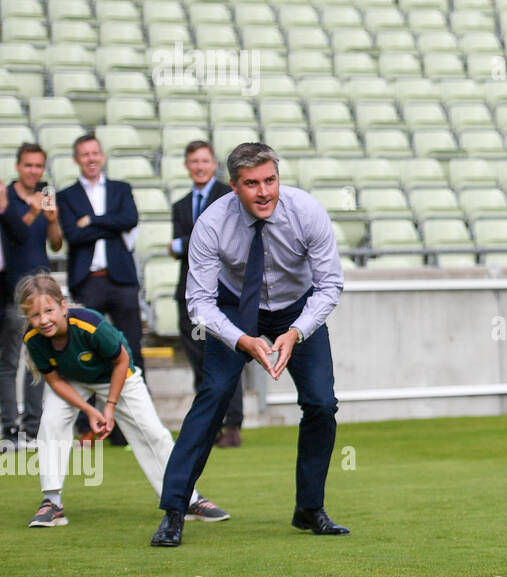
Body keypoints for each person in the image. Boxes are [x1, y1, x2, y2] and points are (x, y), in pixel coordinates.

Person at [152, 142, 346, 547]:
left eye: (270, 180)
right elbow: (199, 303)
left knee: (321, 403)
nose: (264, 192)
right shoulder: (211, 223)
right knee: (215, 394)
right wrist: (242, 339)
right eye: (252, 183)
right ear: (234, 187)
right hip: (237, 308)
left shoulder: (307, 211)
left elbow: (330, 286)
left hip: (297, 308)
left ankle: (310, 509)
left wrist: (296, 332)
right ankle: (174, 509)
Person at [16, 272, 226, 528]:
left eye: (48, 310)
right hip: (71, 380)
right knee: (50, 421)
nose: (43, 320)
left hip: (118, 374)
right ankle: (52, 502)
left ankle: (186, 498)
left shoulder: (90, 325)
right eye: (35, 315)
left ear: (62, 306)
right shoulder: (33, 338)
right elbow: (55, 381)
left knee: (153, 432)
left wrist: (109, 407)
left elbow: (122, 360)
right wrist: (90, 412)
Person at [56, 134, 145, 378]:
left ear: (102, 156)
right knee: (87, 350)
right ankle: (90, 416)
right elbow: (74, 234)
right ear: (77, 159)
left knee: (132, 346)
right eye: (85, 154)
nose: (91, 159)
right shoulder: (66, 195)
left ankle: (137, 413)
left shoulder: (121, 188)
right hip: (88, 281)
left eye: (95, 153)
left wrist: (92, 221)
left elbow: (130, 219)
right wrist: (112, 227)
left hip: (122, 280)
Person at [170, 140, 239, 447]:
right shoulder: (180, 205)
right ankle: (210, 424)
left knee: (228, 356)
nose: (199, 166)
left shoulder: (229, 195)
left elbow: (224, 238)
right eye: (193, 161)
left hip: (224, 291)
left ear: (213, 164)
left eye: (204, 161)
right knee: (200, 361)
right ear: (187, 165)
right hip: (190, 292)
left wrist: (182, 243)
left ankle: (233, 424)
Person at [1, 143, 62, 450]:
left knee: (38, 358)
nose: (34, 171)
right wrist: (34, 210)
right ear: (18, 166)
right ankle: (9, 429)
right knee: (10, 360)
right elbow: (16, 237)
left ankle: (33, 428)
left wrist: (51, 220)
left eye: (38, 166)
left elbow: (57, 245)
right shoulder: (7, 197)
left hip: (43, 287)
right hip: (14, 287)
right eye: (28, 165)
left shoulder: (46, 193)